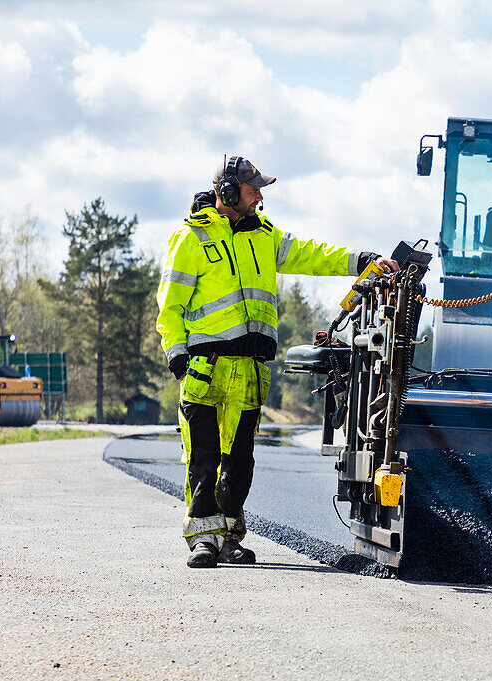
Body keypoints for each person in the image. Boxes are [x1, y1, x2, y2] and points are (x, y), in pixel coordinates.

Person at [157, 156, 398, 569]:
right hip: (205, 367)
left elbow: (311, 254)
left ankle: (230, 537)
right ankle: (202, 538)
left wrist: (361, 260)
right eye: (254, 190)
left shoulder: (265, 236)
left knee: (240, 461)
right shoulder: (191, 238)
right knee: (203, 458)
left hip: (249, 370)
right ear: (229, 192)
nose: (260, 197)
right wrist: (179, 358)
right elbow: (170, 305)